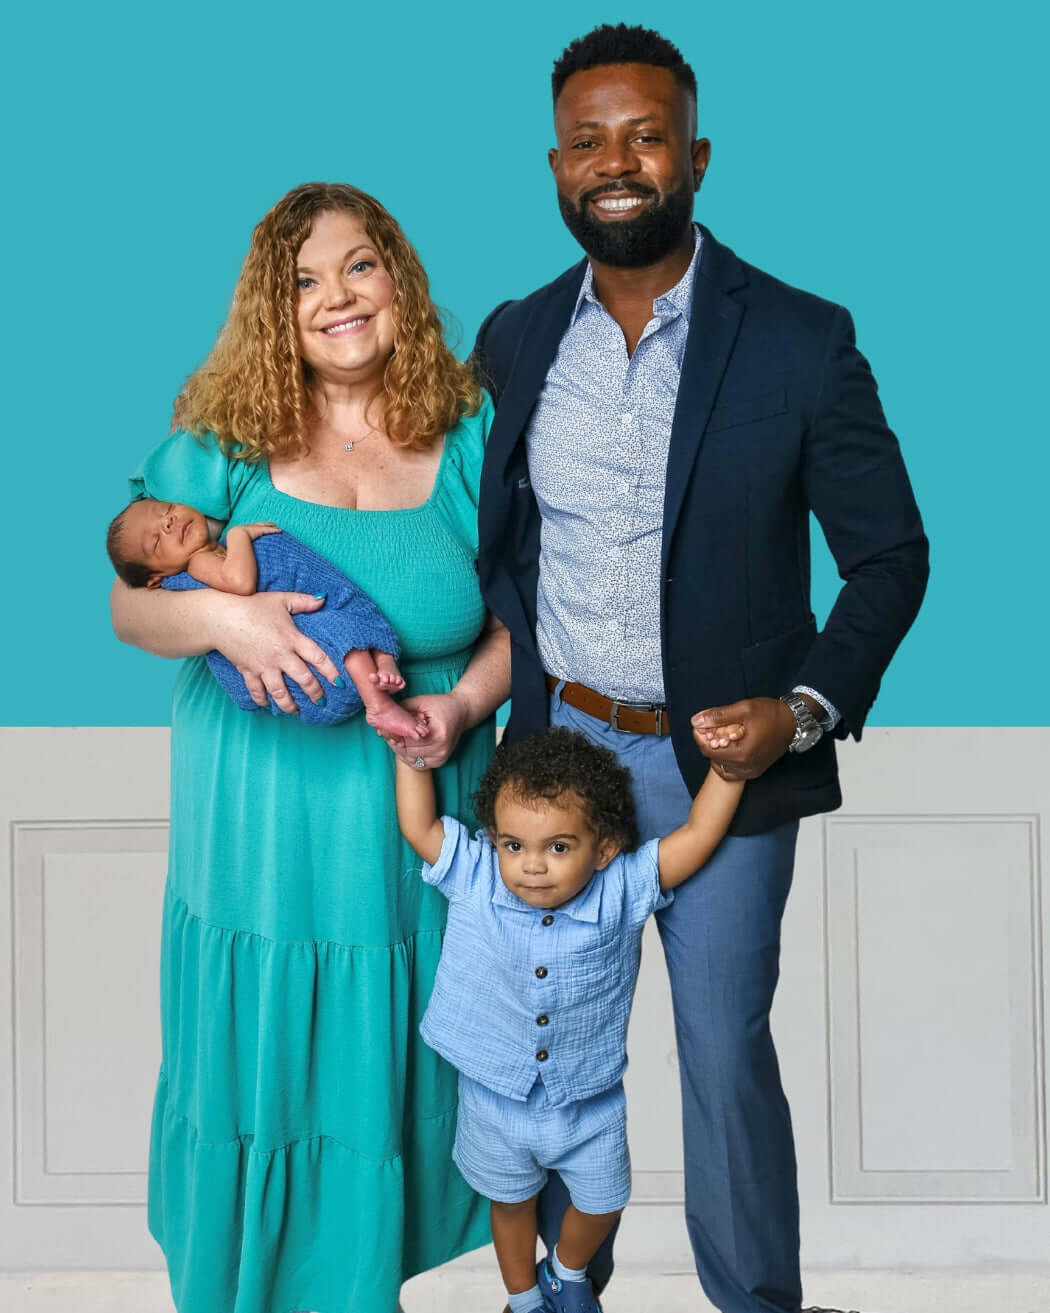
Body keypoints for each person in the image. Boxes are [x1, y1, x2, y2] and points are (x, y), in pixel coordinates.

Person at [472, 23, 929, 1313]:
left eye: (645, 137)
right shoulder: (514, 339)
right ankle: (557, 1298)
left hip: (724, 770)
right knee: (551, 1064)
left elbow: (890, 555)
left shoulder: (799, 337)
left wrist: (801, 711)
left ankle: (756, 1303)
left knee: (723, 1052)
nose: (615, 163)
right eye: (587, 141)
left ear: (697, 155)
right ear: (555, 165)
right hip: (557, 767)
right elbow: (481, 542)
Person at [110, 182, 509, 1313]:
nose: (337, 296)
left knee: (390, 1072)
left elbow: (525, 621)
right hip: (259, 827)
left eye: (359, 265)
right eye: (303, 281)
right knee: (263, 1070)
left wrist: (463, 707)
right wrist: (224, 618)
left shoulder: (472, 428)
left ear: (400, 281)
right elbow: (128, 603)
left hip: (414, 812)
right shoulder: (224, 437)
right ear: (271, 308)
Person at [393, 726, 744, 1313]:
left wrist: (728, 773)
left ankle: (565, 1272)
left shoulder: (622, 887)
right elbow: (418, 826)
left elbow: (698, 836)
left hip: (588, 1099)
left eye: (558, 848)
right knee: (510, 1204)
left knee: (605, 1200)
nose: (532, 866)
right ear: (495, 841)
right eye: (514, 846)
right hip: (494, 1096)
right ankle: (524, 1300)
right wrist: (409, 752)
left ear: (602, 850)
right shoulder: (476, 876)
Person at [106, 498, 427, 736]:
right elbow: (240, 583)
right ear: (155, 578)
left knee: (357, 630)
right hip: (293, 660)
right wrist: (239, 536)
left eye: (166, 509)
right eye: (156, 541)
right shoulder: (198, 562)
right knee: (344, 639)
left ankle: (383, 668)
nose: (167, 522)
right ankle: (379, 706)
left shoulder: (209, 550)